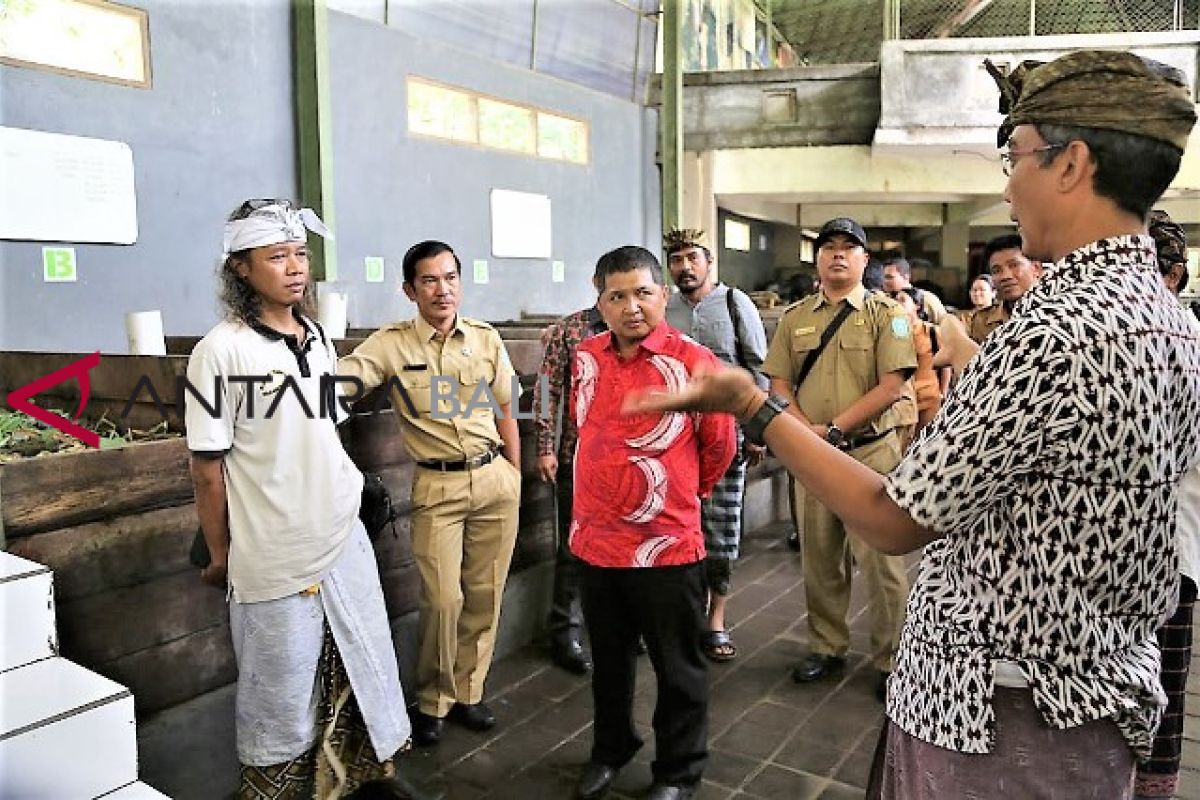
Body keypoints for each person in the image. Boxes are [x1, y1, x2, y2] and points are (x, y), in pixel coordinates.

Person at [632, 49, 1200, 797]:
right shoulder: (1169, 319)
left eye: (1017, 155)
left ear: (1073, 164)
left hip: (1000, 708)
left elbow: (896, 519)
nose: (1007, 181)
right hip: (1089, 685)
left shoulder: (1057, 327)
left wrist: (752, 406)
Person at [186, 199, 411, 797]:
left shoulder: (315, 338)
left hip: (338, 531)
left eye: (300, 254)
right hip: (275, 547)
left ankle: (362, 780)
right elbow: (207, 468)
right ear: (241, 268)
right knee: (280, 690)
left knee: (362, 659)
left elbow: (320, 431)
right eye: (276, 256)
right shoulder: (221, 351)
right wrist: (219, 553)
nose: (294, 268)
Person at [339, 241, 522, 747]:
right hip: (436, 485)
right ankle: (433, 700)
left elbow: (508, 410)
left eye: (450, 278)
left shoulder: (485, 340)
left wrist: (515, 476)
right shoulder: (392, 344)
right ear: (409, 290)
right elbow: (341, 383)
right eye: (429, 281)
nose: (442, 290)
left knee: (485, 595)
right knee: (443, 599)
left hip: (494, 479)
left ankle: (470, 691)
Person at [571, 246, 735, 800]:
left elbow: (720, 444)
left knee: (678, 667)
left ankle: (678, 771)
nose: (631, 307)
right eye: (616, 296)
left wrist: (680, 493)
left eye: (642, 292)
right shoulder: (586, 355)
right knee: (610, 662)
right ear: (601, 302)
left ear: (662, 295)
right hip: (595, 542)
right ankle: (611, 746)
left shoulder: (693, 360)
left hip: (666, 544)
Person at [763, 217, 917, 702]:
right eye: (828, 247)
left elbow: (892, 385)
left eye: (848, 248)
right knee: (820, 556)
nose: (837, 255)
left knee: (881, 563)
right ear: (818, 259)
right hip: (813, 460)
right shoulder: (795, 317)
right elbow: (779, 384)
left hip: (870, 454)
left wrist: (831, 429)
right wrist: (806, 434)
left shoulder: (885, 314)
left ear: (864, 260)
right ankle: (826, 646)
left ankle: (892, 658)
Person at [663, 227, 769, 663]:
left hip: (728, 433)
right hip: (675, 437)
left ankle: (717, 619)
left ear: (709, 263)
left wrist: (759, 428)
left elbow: (758, 368)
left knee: (723, 527)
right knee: (679, 526)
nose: (685, 267)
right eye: (676, 260)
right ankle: (684, 615)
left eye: (692, 257)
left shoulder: (733, 302)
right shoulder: (664, 308)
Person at [1136, 209, 1200, 800]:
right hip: (1109, 554)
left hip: (1173, 554)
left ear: (1175, 276)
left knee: (1165, 691)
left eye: (1146, 268)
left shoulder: (1188, 344)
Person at [533, 294, 608, 675]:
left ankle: (621, 627)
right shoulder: (570, 330)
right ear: (598, 284)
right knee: (573, 547)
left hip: (635, 460)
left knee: (627, 544)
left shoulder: (644, 326)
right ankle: (565, 633)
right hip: (578, 457)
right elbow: (547, 391)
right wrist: (545, 446)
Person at [889, 288, 949, 437]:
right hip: (903, 400)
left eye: (903, 300)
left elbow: (946, 365)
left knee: (927, 440)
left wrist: (943, 392)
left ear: (917, 305)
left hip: (929, 397)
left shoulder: (932, 331)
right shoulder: (894, 331)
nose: (898, 303)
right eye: (896, 300)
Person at [967, 234, 1043, 343]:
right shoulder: (981, 321)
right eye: (996, 271)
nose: (1005, 276)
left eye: (1014, 265)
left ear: (1036, 269)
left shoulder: (1055, 313)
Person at [881, 256, 946, 323]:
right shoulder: (882, 299)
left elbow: (946, 327)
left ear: (906, 277)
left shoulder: (927, 299)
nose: (884, 281)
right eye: (882, 277)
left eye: (889, 277)